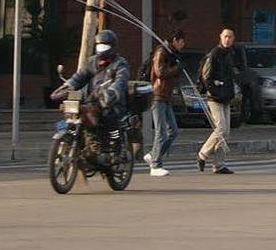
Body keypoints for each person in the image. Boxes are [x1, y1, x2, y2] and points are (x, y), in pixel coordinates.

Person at [51, 30, 134, 145]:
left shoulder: (120, 63)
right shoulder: (92, 61)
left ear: (112, 47)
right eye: (99, 45)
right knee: (69, 119)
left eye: (105, 46)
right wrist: (68, 86)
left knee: (108, 121)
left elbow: (121, 81)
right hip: (91, 101)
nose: (102, 49)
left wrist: (112, 91)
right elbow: (80, 76)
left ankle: (110, 146)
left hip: (111, 103)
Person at [196, 26, 242, 174]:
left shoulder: (229, 54)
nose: (228, 39)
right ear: (220, 37)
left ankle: (219, 164)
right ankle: (202, 154)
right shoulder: (214, 54)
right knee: (221, 127)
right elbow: (206, 76)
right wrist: (215, 91)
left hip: (226, 97)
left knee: (226, 132)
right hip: (214, 97)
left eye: (230, 37)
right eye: (225, 36)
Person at [144, 28, 185, 177]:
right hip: (158, 95)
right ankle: (155, 165)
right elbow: (160, 72)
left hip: (166, 97)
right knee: (161, 131)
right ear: (175, 40)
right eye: (182, 42)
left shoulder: (171, 53)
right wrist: (176, 68)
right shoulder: (162, 51)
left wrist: (177, 65)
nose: (183, 45)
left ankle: (153, 154)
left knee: (173, 131)